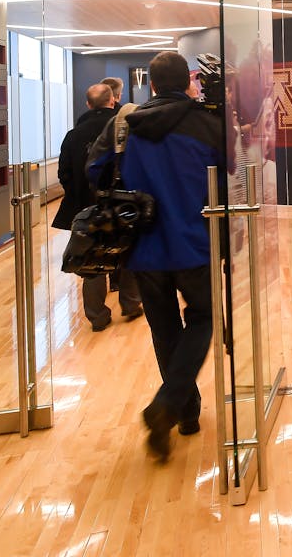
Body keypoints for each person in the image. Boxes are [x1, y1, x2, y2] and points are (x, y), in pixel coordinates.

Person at [88, 51, 223, 462]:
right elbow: (234, 179)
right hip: (195, 244)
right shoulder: (208, 125)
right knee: (203, 318)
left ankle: (185, 414)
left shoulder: (125, 125)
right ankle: (167, 406)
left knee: (164, 330)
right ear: (189, 83)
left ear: (150, 85)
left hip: (144, 248)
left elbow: (94, 169)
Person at [53, 83, 142, 331]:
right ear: (113, 101)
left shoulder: (73, 135)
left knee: (90, 261)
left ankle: (97, 317)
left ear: (88, 104)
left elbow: (65, 174)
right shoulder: (125, 131)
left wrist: (80, 196)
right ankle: (131, 304)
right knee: (127, 253)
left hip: (84, 208)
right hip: (121, 203)